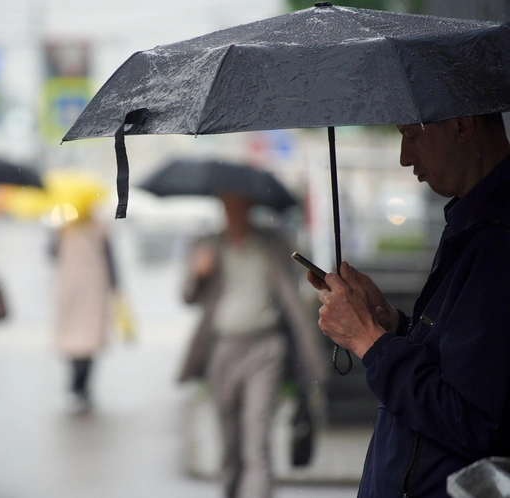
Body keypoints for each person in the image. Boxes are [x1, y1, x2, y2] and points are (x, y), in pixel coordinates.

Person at [307, 113, 510, 497]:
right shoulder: (472, 223)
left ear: (462, 126)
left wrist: (368, 340)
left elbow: (475, 421)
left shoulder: (497, 241)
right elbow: (457, 365)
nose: (404, 156)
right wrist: (392, 326)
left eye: (411, 135)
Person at [180, 193, 327, 498]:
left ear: (249, 206)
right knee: (229, 445)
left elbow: (293, 302)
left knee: (256, 443)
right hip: (222, 349)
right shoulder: (208, 244)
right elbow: (188, 297)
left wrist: (313, 360)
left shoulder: (272, 244)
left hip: (265, 348)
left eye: (238, 203)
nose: (232, 209)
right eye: (226, 203)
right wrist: (198, 272)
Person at [52, 208, 119, 413]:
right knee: (86, 339)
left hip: (74, 287)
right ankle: (80, 384)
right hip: (90, 286)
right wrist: (116, 286)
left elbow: (51, 254)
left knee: (78, 339)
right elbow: (111, 261)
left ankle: (77, 383)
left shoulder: (66, 228)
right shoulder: (95, 227)